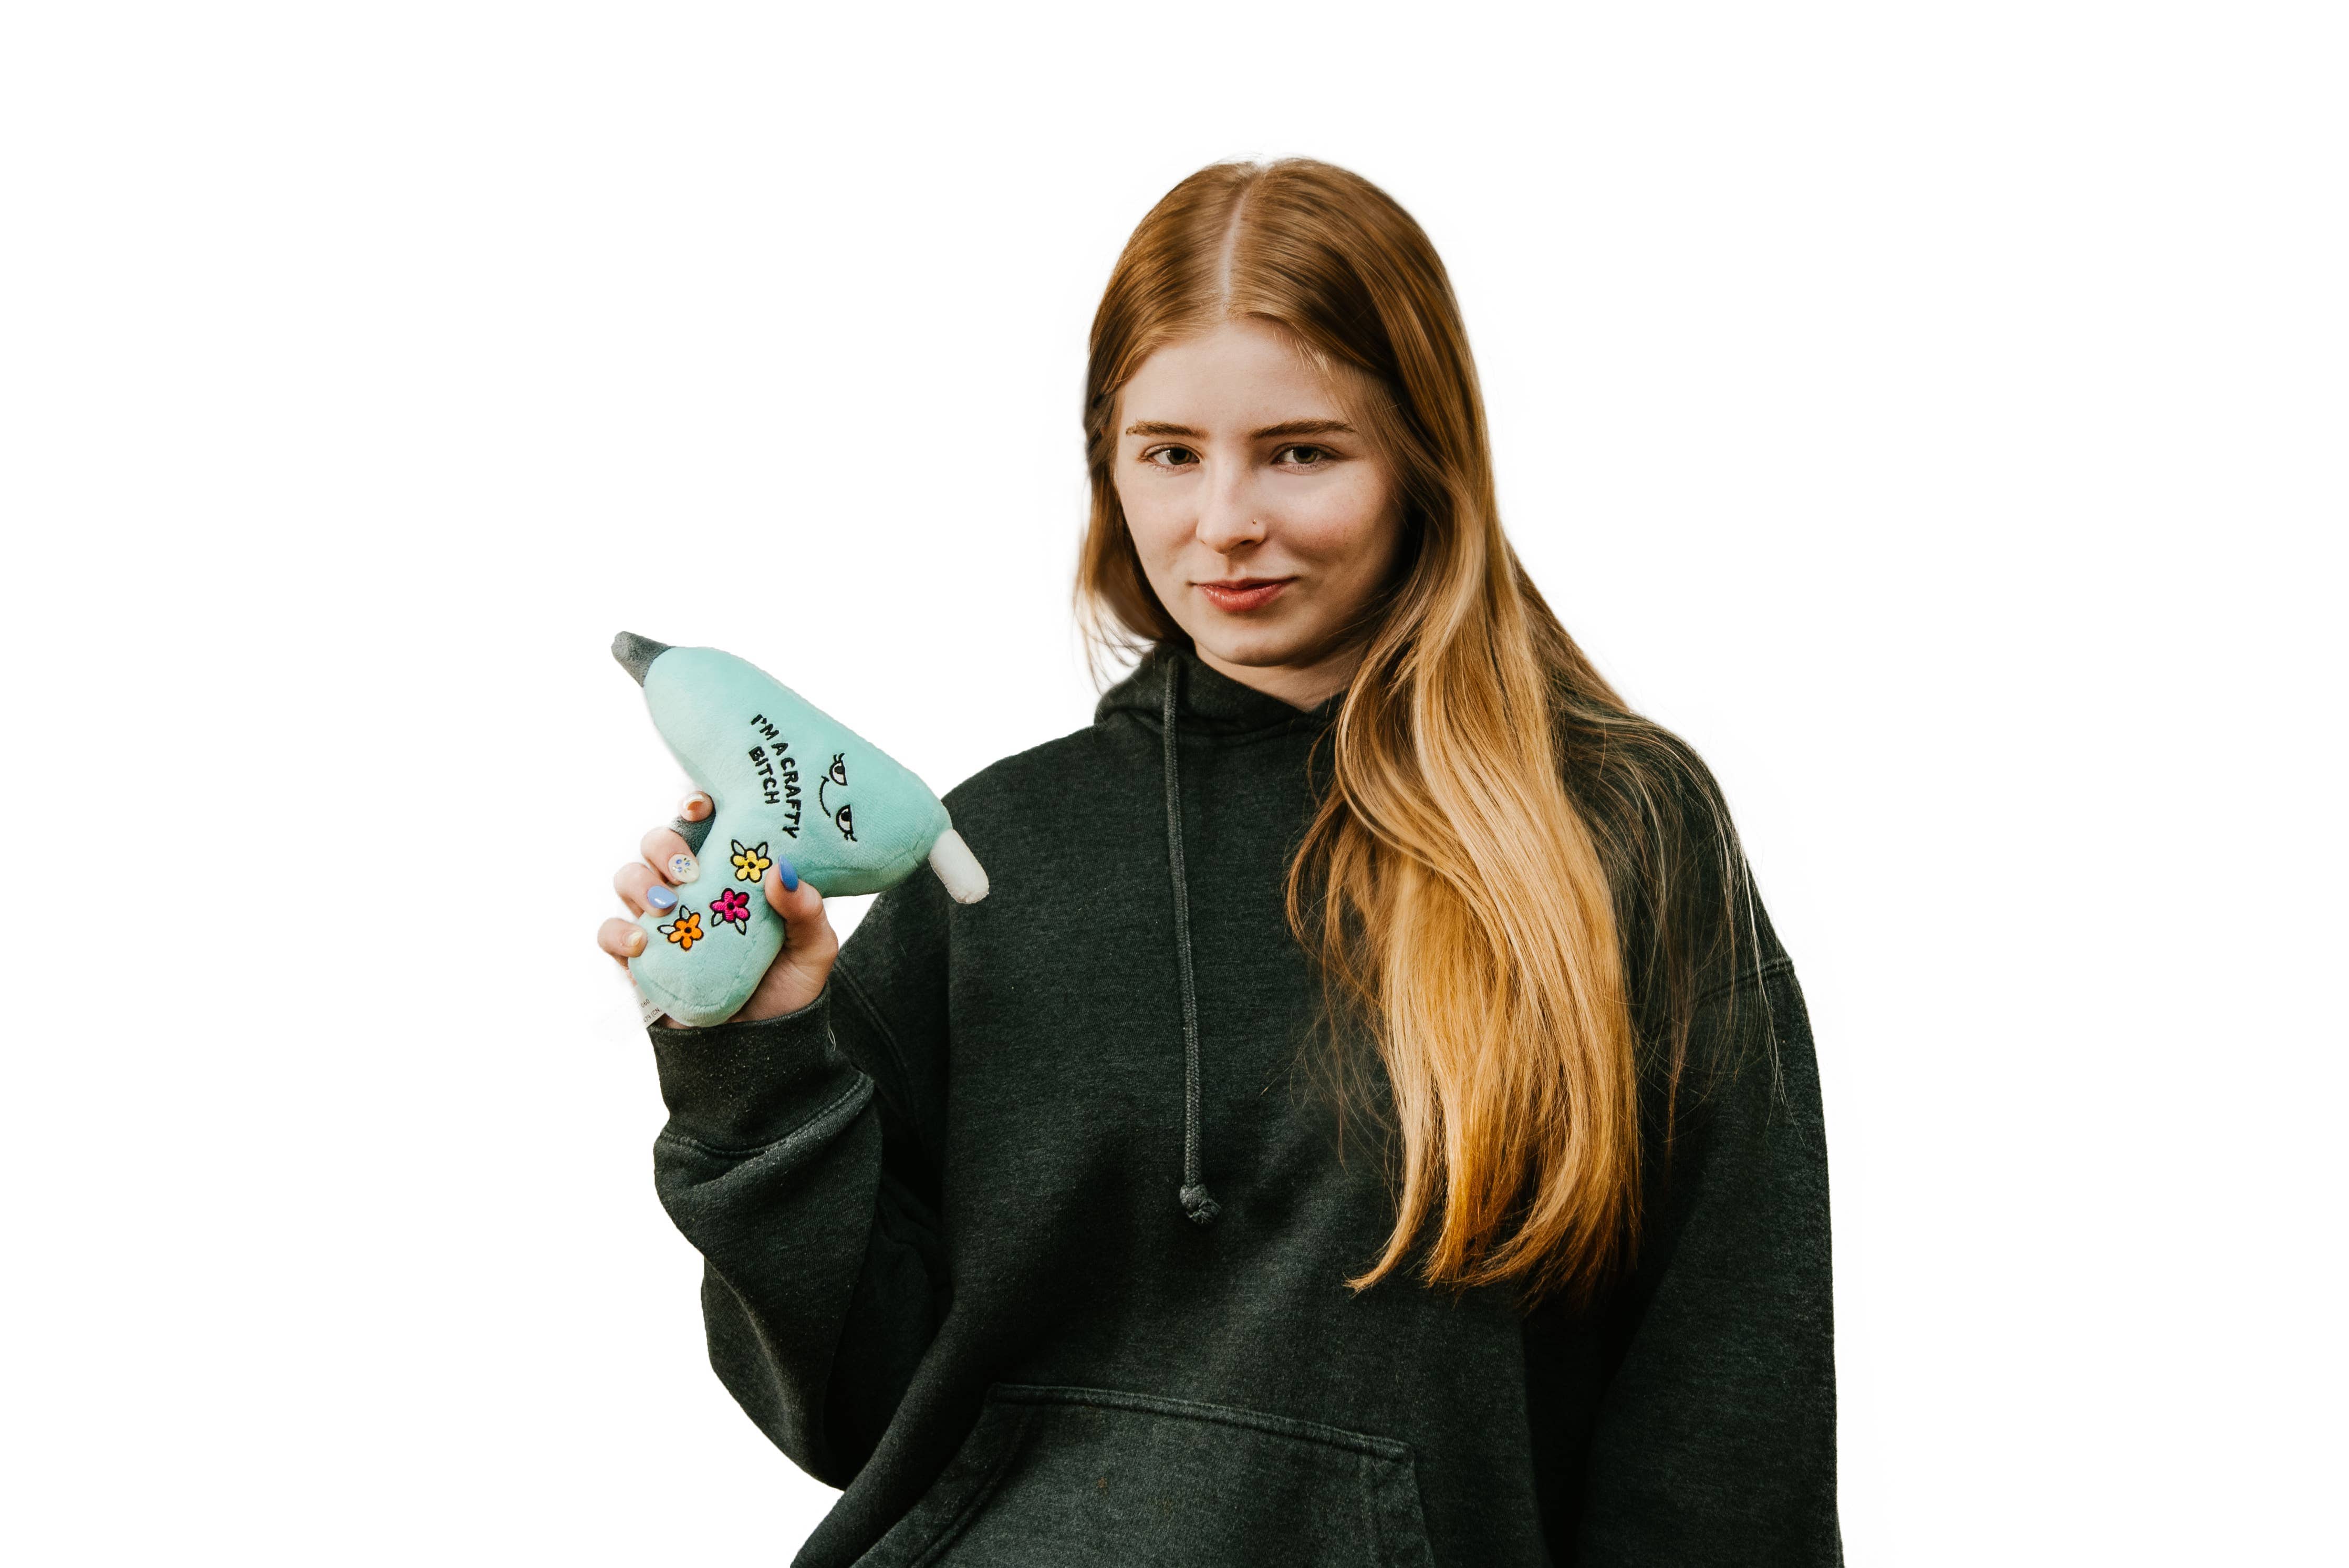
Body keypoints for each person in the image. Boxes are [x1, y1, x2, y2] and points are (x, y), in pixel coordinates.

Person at [596, 158, 1838, 1567]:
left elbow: (1730, 1427)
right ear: (1107, 456)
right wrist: (756, 1058)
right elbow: (862, 1409)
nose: (1225, 521)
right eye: (1170, 451)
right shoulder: (993, 858)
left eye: (1302, 450)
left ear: (1428, 458)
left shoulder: (1609, 837)